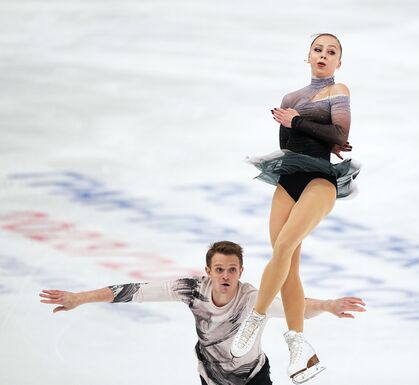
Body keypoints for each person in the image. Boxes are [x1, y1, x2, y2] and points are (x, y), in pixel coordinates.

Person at [40, 240, 365, 385]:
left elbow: (297, 309)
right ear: (208, 270)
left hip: (253, 379)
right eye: (220, 269)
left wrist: (328, 306)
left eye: (232, 269)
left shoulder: (253, 298)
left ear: (241, 271)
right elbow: (134, 291)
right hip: (211, 379)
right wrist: (80, 298)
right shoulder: (191, 290)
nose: (226, 276)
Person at [231, 33, 361, 384]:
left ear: (338, 62)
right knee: (286, 262)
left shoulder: (339, 91)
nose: (324, 55)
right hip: (289, 178)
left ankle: (255, 320)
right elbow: (289, 144)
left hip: (321, 180)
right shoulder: (290, 98)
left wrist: (298, 123)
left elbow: (339, 134)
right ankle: (300, 347)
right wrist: (302, 128)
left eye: (331, 51)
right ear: (308, 56)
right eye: (318, 50)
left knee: (285, 246)